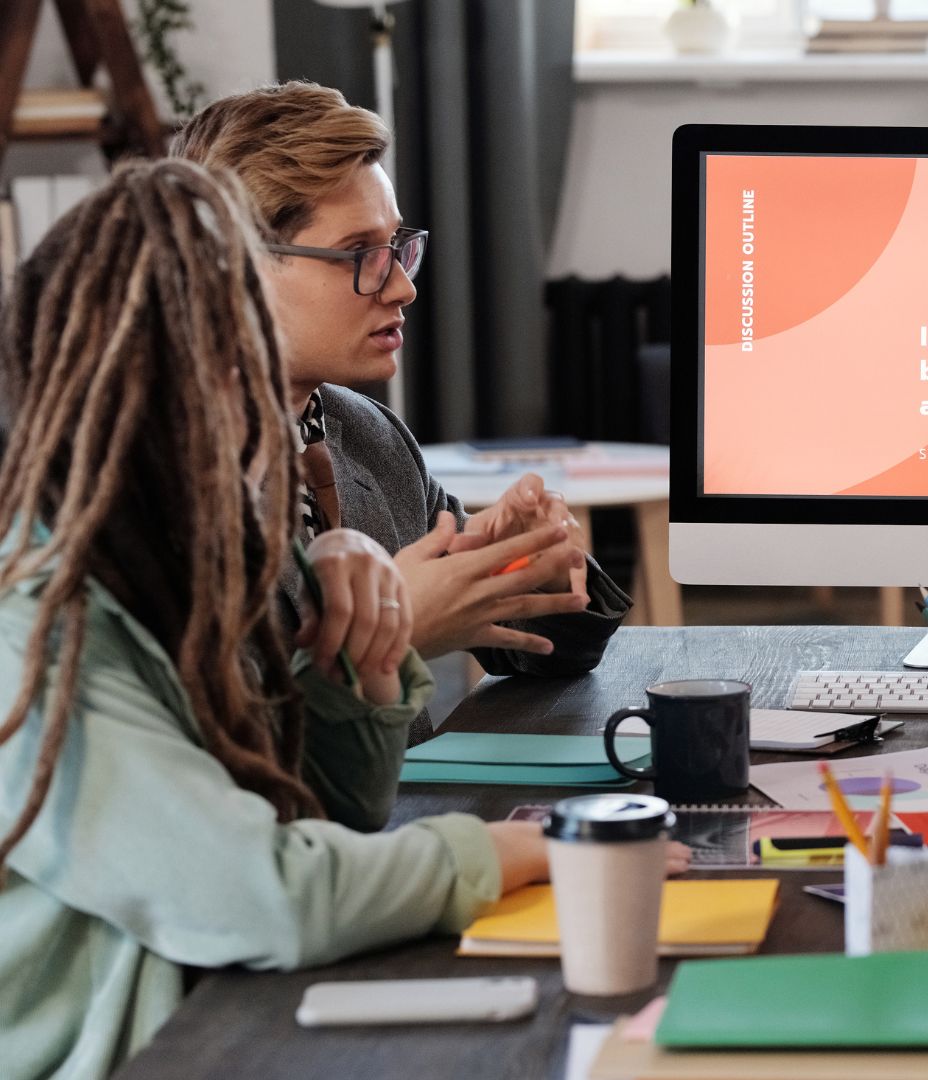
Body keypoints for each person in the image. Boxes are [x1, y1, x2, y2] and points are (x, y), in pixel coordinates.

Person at [0, 162, 556, 1080]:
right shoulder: (37, 622)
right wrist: (520, 848)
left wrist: (360, 649)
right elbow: (264, 893)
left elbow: (336, 813)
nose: (265, 410)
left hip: (231, 1013)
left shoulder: (192, 545)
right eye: (230, 372)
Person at [171, 82, 632, 740]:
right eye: (360, 254)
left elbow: (544, 656)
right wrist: (392, 633)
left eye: (399, 247)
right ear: (233, 265)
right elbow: (200, 759)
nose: (402, 285)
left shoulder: (367, 435)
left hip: (401, 825)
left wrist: (523, 567)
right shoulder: (152, 480)